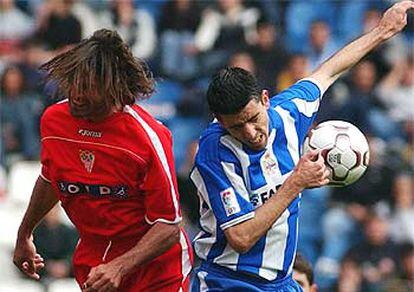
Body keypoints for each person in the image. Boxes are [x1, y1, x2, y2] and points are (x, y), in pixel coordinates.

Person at [190, 1, 414, 291]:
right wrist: (295, 183)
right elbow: (241, 238)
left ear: (265, 99)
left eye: (252, 118)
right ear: (219, 121)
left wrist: (383, 31)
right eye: (235, 126)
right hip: (230, 281)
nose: (249, 132)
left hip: (281, 282)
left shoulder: (289, 111)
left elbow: (330, 70)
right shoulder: (215, 151)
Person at [13, 29, 192, 292]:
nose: (76, 95)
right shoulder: (54, 121)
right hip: (94, 264)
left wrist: (119, 267)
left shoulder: (148, 138)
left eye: (88, 88)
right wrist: (24, 233)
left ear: (113, 89)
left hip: (155, 272)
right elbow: (52, 177)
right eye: (73, 83)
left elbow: (168, 227)